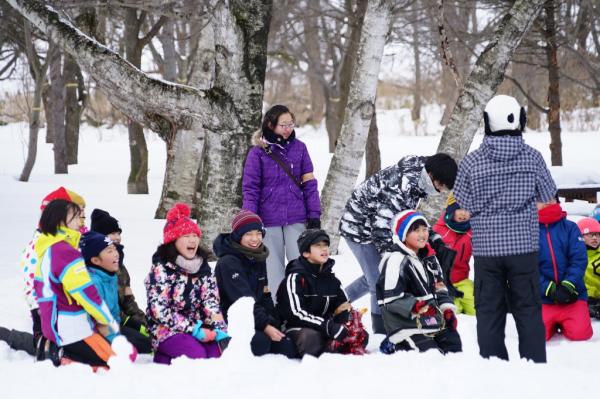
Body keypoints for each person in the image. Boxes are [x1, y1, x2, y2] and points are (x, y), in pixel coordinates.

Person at [453, 94, 557, 363]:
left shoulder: (472, 161)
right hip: (524, 247)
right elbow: (548, 197)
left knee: (488, 310)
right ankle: (534, 364)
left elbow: (463, 202)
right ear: (519, 121)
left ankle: (493, 365)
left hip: (487, 249)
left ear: (487, 122)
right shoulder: (533, 157)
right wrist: (525, 210)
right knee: (528, 308)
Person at [339, 153, 458, 333]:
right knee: (379, 280)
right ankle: (381, 330)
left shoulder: (418, 179)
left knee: (372, 275)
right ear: (432, 176)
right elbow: (381, 226)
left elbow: (406, 216)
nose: (440, 191)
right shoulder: (400, 185)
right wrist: (392, 257)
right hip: (358, 228)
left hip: (377, 225)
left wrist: (435, 240)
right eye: (440, 186)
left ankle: (334, 302)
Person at [242, 104, 321, 297]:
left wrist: (314, 214)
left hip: (296, 216)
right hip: (268, 219)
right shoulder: (257, 153)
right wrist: (250, 219)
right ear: (271, 125)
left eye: (291, 124)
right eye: (283, 125)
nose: (288, 129)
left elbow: (309, 183)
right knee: (273, 269)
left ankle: (302, 304)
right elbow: (250, 188)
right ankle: (279, 310)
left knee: (301, 265)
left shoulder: (300, 148)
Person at [33, 199, 121, 367]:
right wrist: (106, 320)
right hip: (72, 328)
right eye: (75, 217)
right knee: (113, 363)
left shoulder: (48, 247)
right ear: (60, 220)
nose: (80, 222)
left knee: (112, 358)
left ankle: (57, 349)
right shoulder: (64, 251)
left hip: (56, 323)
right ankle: (63, 356)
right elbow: (85, 291)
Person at [145, 203, 228, 364]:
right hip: (167, 330)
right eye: (186, 236)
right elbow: (159, 311)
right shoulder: (161, 269)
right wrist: (193, 329)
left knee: (218, 356)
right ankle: (163, 355)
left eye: (195, 235)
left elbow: (211, 302)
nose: (192, 240)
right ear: (173, 240)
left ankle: (168, 358)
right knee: (197, 357)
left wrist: (218, 329)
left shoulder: (202, 268)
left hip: (201, 329)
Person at [12, 187, 86, 358]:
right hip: (44, 305)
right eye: (75, 214)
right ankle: (10, 337)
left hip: (62, 305)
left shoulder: (66, 239)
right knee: (46, 346)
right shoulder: (41, 243)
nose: (80, 219)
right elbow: (34, 278)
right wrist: (40, 307)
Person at [214, 210, 297, 358]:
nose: (255, 239)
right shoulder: (228, 262)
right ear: (239, 235)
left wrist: (274, 322)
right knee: (261, 343)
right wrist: (265, 326)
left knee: (289, 347)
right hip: (233, 320)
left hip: (256, 317)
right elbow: (243, 300)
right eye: (248, 234)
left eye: (258, 233)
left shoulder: (257, 256)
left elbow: (265, 294)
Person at [377, 210, 462, 354]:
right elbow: (390, 299)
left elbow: (440, 287)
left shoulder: (430, 257)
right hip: (406, 324)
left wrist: (447, 309)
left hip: (432, 319)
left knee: (453, 347)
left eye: (425, 230)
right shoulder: (396, 260)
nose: (423, 234)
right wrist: (416, 306)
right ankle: (394, 341)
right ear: (404, 234)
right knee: (430, 355)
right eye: (416, 231)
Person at [276, 229, 368, 358]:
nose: (324, 249)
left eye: (325, 245)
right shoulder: (295, 278)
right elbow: (296, 314)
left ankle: (330, 346)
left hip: (325, 327)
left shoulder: (332, 279)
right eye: (318, 246)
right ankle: (325, 347)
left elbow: (343, 306)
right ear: (306, 253)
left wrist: (348, 325)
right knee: (311, 339)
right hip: (297, 328)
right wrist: (329, 327)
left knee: (361, 336)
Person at [80, 231, 152, 353]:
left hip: (115, 326)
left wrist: (134, 323)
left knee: (147, 342)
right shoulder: (94, 283)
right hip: (98, 332)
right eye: (109, 251)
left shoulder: (110, 276)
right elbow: (97, 321)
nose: (116, 254)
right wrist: (116, 341)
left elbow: (116, 310)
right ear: (96, 260)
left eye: (114, 249)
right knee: (137, 348)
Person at [537, 200, 592, 341]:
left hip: (573, 295)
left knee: (581, 334)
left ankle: (566, 321)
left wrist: (568, 285)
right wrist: (550, 289)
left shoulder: (570, 228)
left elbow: (579, 259)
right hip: (542, 298)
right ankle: (551, 324)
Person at [90, 209, 147, 333]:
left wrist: (142, 321)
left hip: (121, 320)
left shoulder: (120, 265)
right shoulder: (95, 267)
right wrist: (128, 322)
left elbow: (128, 300)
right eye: (112, 233)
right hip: (106, 324)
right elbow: (105, 306)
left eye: (118, 233)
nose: (117, 237)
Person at [432, 193, 475, 315]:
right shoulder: (438, 231)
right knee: (452, 313)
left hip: (463, 281)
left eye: (467, 209)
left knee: (477, 310)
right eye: (459, 209)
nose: (463, 213)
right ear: (451, 210)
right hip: (443, 284)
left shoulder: (473, 232)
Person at [577, 217, 600, 319]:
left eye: (598, 235)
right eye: (591, 235)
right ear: (580, 237)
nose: (595, 238)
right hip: (583, 298)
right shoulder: (574, 256)